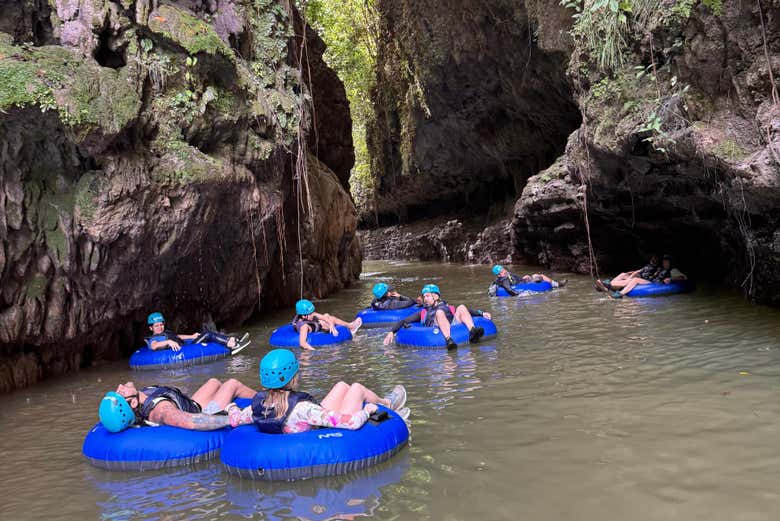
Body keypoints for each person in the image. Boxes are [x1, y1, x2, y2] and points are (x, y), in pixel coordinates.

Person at [226, 349, 409, 432]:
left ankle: (386, 401)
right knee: (356, 388)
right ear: (293, 377)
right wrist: (367, 410)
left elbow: (234, 420)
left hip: (310, 421)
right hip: (318, 426)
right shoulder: (303, 408)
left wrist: (232, 406)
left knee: (341, 386)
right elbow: (352, 423)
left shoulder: (257, 406)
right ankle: (386, 403)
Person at [98, 378, 257, 432]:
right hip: (206, 411)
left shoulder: (139, 398)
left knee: (214, 382)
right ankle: (266, 398)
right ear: (133, 402)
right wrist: (233, 420)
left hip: (193, 404)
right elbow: (190, 422)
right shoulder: (161, 410)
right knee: (231, 384)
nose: (120, 386)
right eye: (121, 393)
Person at [383, 284, 492, 350]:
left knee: (462, 307)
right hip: (436, 329)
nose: (425, 299)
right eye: (424, 296)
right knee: (439, 313)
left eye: (427, 296)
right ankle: (449, 340)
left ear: (435, 296)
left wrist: (481, 313)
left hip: (452, 324)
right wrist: (392, 331)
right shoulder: (423, 312)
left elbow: (467, 311)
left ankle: (472, 331)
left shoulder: (446, 306)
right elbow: (404, 321)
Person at [145, 312, 250, 355]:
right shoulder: (153, 339)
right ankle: (231, 344)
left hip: (188, 346)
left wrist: (192, 336)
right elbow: (154, 346)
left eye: (161, 325)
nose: (160, 327)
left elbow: (177, 336)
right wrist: (168, 342)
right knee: (207, 334)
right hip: (187, 350)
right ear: (151, 328)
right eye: (156, 326)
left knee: (203, 335)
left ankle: (234, 340)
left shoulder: (165, 332)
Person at [292, 299, 362, 351]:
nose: (313, 314)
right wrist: (314, 351)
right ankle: (351, 327)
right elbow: (302, 343)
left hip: (316, 325)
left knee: (327, 315)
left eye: (312, 312)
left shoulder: (307, 315)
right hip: (319, 328)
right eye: (310, 313)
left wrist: (331, 325)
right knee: (332, 318)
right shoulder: (304, 327)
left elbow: (323, 317)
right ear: (304, 316)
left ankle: (349, 326)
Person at [610, 254, 687, 298]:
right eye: (664, 262)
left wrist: (671, 278)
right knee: (630, 278)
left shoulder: (673, 270)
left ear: (670, 263)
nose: (664, 263)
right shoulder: (661, 268)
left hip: (656, 284)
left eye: (666, 262)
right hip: (652, 282)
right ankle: (611, 285)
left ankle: (620, 294)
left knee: (635, 280)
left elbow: (683, 277)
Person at [489, 265, 567, 296]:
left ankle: (556, 284)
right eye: (502, 271)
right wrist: (519, 294)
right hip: (523, 285)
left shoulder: (505, 275)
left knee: (536, 275)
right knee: (539, 276)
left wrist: (523, 278)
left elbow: (515, 279)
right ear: (499, 275)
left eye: (503, 269)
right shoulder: (504, 280)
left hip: (523, 281)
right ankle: (557, 285)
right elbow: (509, 289)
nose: (504, 271)